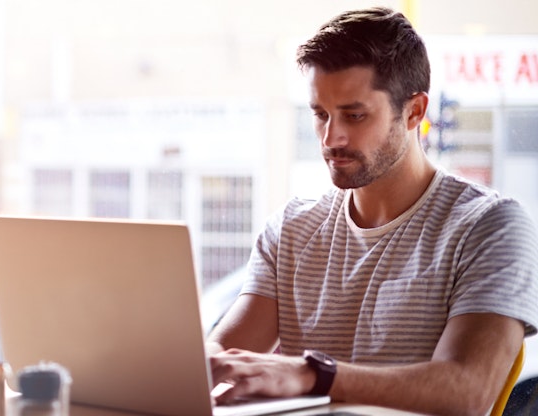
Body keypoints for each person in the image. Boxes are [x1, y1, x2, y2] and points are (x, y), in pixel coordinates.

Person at [206, 7, 538, 415]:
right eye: (320, 114)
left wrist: (314, 374)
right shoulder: (291, 228)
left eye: (354, 114)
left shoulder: (490, 226)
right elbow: (222, 360)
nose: (331, 137)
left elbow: (466, 392)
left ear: (415, 111)